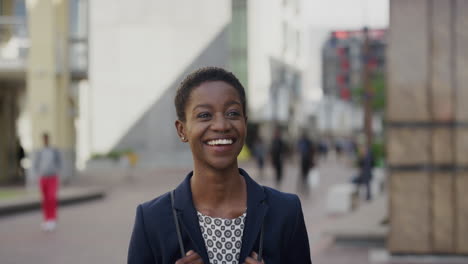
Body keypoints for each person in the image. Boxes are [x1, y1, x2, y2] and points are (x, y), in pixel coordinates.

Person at [128, 67, 311, 263]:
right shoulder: (152, 219)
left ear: (245, 124)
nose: (221, 125)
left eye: (232, 113)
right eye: (204, 115)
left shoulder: (286, 212)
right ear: (182, 130)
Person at [34, 133, 61, 231]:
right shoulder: (39, 151)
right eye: (43, 139)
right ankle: (46, 219)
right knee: (45, 199)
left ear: (48, 139)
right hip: (43, 178)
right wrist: (39, 173)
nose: (45, 140)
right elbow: (36, 164)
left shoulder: (54, 150)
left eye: (46, 138)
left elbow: (59, 162)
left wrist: (56, 171)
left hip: (52, 177)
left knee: (51, 198)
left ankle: (52, 219)